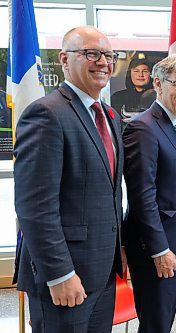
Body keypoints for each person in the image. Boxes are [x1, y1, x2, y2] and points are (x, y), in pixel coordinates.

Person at [13, 26, 124, 332]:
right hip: (64, 278)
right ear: (64, 59)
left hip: (101, 273)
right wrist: (60, 274)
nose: (102, 61)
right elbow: (35, 207)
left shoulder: (109, 116)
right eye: (90, 53)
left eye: (108, 55)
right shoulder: (46, 114)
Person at [123, 54, 176, 333]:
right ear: (158, 84)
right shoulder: (143, 128)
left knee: (163, 322)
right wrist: (159, 249)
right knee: (155, 325)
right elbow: (142, 196)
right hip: (157, 251)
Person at [111, 57, 154, 122]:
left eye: (145, 71)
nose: (140, 75)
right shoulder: (117, 97)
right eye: (136, 71)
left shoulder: (158, 97)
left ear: (151, 75)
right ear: (130, 74)